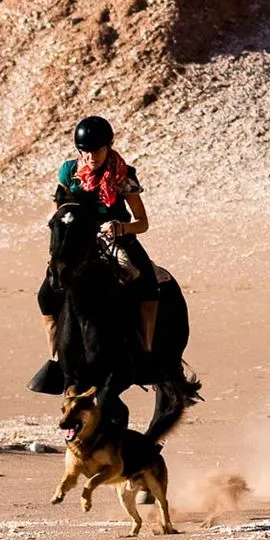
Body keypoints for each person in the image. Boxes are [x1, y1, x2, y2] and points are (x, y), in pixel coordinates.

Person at [39, 115, 160, 358]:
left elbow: (142, 223)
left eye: (97, 151)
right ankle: (54, 359)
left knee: (149, 286)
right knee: (46, 295)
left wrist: (121, 227)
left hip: (117, 240)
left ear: (108, 147)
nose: (90, 157)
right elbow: (59, 206)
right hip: (78, 241)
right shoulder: (69, 171)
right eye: (84, 152)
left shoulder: (123, 176)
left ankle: (146, 351)